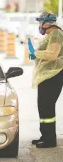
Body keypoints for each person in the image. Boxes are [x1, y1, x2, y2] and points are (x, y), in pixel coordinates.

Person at [29, 12, 63, 148]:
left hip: (53, 76)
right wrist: (37, 55)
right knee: (43, 108)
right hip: (47, 76)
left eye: (41, 22)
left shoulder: (56, 34)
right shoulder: (52, 35)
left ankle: (49, 140)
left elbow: (53, 55)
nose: (40, 25)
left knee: (47, 108)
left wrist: (35, 53)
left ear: (47, 23)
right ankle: (45, 136)